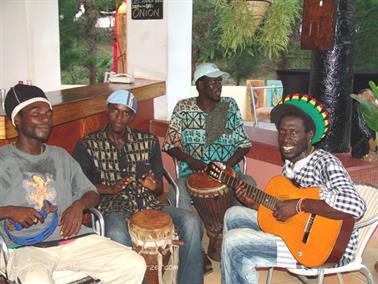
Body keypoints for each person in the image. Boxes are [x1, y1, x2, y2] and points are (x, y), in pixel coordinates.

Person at [0, 84, 146, 284]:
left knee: (133, 264)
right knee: (36, 280)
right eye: (37, 114)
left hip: (74, 241)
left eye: (48, 114)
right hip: (27, 248)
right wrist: (9, 210)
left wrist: (79, 206)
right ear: (17, 119)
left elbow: (91, 193)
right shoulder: (3, 160)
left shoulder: (60, 156)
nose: (46, 119)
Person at [221, 94, 367, 284]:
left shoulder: (325, 162)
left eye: (294, 132)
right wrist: (257, 205)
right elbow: (285, 210)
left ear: (309, 135)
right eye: (282, 131)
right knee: (233, 215)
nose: (285, 138)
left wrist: (300, 205)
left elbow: (357, 206)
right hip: (295, 235)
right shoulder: (290, 164)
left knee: (235, 243)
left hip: (323, 250)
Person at [72, 90, 204, 284]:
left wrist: (153, 186)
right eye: (115, 111)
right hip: (112, 207)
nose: (119, 117)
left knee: (191, 220)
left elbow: (159, 189)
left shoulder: (148, 142)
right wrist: (110, 189)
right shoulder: (87, 145)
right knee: (117, 233)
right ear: (107, 111)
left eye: (126, 113)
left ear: (132, 116)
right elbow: (79, 184)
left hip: (149, 206)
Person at [162, 62, 255, 211]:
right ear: (200, 85)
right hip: (193, 174)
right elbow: (169, 144)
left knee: (248, 183)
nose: (218, 85)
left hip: (228, 172)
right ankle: (190, 228)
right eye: (213, 82)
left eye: (220, 81)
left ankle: (236, 227)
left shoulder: (228, 106)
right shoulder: (183, 108)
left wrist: (226, 167)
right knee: (177, 190)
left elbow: (244, 144)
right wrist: (190, 160)